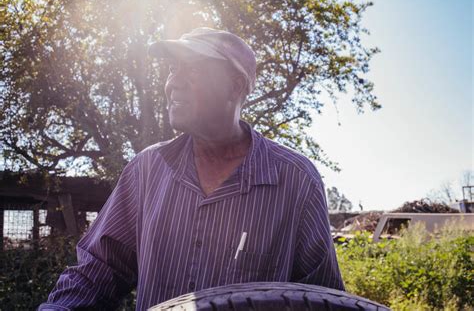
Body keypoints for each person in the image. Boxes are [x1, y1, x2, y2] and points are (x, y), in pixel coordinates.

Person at [39, 27, 344, 311]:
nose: (174, 83)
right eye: (173, 69)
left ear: (235, 86)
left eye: (194, 70)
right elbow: (98, 271)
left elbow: (321, 300)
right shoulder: (146, 171)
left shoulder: (295, 181)